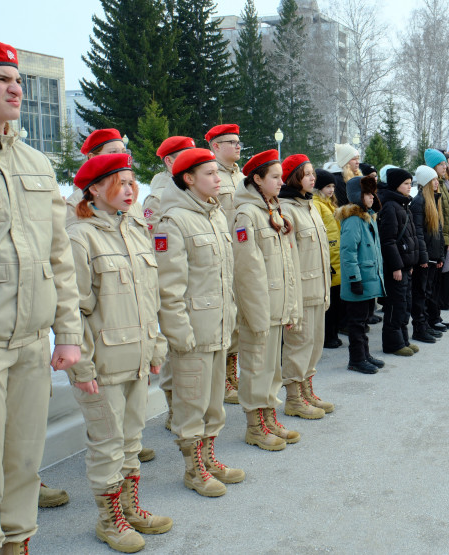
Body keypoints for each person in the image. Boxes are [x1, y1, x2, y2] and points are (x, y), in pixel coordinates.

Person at [0, 42, 82, 555]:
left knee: (25, 460)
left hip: (30, 342)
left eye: (18, 80)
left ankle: (17, 542)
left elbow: (58, 255)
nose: (15, 89)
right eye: (1, 79)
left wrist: (66, 332)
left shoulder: (35, 163)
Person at [67, 154, 172, 552]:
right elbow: (73, 308)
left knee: (131, 441)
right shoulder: (80, 237)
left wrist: (156, 346)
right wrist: (82, 366)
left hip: (136, 357)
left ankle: (130, 508)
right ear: (94, 189)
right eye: (120, 183)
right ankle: (109, 520)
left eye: (131, 182)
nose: (130, 190)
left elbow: (149, 296)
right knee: (107, 445)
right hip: (103, 364)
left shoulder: (135, 229)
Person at [155, 148, 242, 498]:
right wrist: (180, 335)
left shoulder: (214, 214)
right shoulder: (173, 221)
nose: (218, 178)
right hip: (192, 332)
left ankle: (209, 459)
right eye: (210, 173)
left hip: (218, 326)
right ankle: (194, 470)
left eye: (217, 173)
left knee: (213, 404)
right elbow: (169, 287)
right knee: (191, 405)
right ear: (188, 178)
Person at [231, 149, 302, 451]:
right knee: (256, 367)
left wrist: (290, 306)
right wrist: (257, 314)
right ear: (257, 179)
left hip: (277, 304)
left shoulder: (273, 209)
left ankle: (269, 418)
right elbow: (247, 271)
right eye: (274, 177)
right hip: (260, 308)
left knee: (272, 368)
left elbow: (286, 264)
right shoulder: (246, 214)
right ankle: (254, 426)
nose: (281, 182)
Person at [144, 136, 195, 438]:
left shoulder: (190, 187)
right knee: (174, 348)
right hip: (171, 280)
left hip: (195, 278)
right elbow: (156, 244)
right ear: (169, 161)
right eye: (187, 154)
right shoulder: (158, 197)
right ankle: (174, 406)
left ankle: (190, 405)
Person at [277, 154, 334, 417]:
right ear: (293, 178)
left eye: (313, 173)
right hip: (301, 291)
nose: (313, 178)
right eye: (307, 173)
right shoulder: (286, 209)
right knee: (298, 345)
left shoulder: (309, 205)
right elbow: (288, 258)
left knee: (314, 344)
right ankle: (293, 398)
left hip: (318, 288)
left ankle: (307, 391)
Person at [206, 124, 244, 405]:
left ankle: (232, 374)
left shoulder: (242, 177)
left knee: (238, 319)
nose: (238, 146)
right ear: (216, 146)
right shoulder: (210, 176)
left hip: (242, 256)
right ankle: (223, 380)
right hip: (219, 257)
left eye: (239, 141)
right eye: (231, 142)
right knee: (224, 321)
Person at [338, 176, 387, 374]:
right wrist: (354, 279)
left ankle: (365, 354)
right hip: (359, 281)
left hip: (369, 279)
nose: (372, 197)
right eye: (367, 194)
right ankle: (356, 359)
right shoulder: (353, 221)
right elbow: (348, 253)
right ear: (358, 196)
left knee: (364, 320)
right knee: (357, 323)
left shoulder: (368, 218)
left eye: (372, 193)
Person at [378, 168, 420, 356]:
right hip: (396, 267)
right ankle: (393, 344)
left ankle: (403, 339)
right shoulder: (390, 206)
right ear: (396, 185)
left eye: (410, 183)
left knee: (405, 304)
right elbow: (388, 240)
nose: (409, 187)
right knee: (396, 305)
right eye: (406, 184)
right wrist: (396, 266)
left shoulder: (403, 204)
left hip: (405, 265)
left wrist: (409, 264)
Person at [410, 165, 445, 343]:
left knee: (428, 291)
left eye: (436, 179)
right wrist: (424, 257)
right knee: (420, 293)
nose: (436, 182)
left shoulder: (434, 200)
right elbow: (418, 232)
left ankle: (427, 324)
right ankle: (419, 327)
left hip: (432, 255)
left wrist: (440, 255)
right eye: (433, 180)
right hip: (424, 257)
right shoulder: (419, 202)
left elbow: (438, 232)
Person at [65, 128, 128, 224]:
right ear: (92, 157)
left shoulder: (130, 198)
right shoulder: (75, 205)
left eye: (123, 152)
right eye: (113, 152)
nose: (121, 158)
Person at [313, 169, 343, 349]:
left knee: (336, 301)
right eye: (327, 186)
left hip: (336, 256)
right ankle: (327, 336)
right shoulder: (317, 205)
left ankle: (333, 333)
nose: (331, 190)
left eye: (332, 186)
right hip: (329, 258)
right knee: (329, 302)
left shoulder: (329, 204)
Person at [424, 148, 449, 318]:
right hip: (437, 240)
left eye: (445, 163)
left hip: (444, 238)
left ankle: (435, 315)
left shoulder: (443, 184)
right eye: (441, 164)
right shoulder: (431, 186)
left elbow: (447, 213)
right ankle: (432, 316)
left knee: (438, 279)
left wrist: (448, 239)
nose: (445, 167)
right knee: (433, 281)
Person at [143, 136, 195, 233]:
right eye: (186, 155)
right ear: (169, 161)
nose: (194, 160)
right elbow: (151, 236)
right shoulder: (158, 199)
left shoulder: (197, 188)